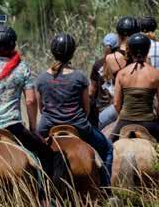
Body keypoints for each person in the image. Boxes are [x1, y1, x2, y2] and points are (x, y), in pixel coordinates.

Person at [0, 24, 58, 183]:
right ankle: (46, 194)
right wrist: (33, 129)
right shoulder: (22, 68)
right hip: (13, 127)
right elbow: (30, 100)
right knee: (47, 155)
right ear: (12, 45)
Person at [36, 33, 113, 187]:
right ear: (72, 53)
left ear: (53, 52)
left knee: (31, 153)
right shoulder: (79, 77)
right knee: (107, 148)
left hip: (47, 126)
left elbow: (41, 108)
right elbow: (86, 108)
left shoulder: (42, 78)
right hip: (78, 126)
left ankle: (38, 190)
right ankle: (106, 189)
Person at [111, 33, 159, 148]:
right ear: (147, 51)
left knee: (106, 149)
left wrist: (124, 116)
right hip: (148, 123)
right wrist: (158, 119)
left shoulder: (121, 74)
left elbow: (116, 103)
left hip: (125, 121)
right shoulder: (156, 74)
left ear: (130, 51)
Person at [99, 16, 139, 130]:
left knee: (96, 124)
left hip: (121, 107)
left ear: (118, 35)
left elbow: (107, 82)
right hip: (142, 105)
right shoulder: (144, 56)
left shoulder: (111, 58)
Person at [89, 32, 118, 129]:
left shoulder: (97, 64)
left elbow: (92, 91)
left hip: (101, 109)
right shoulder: (122, 63)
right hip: (117, 108)